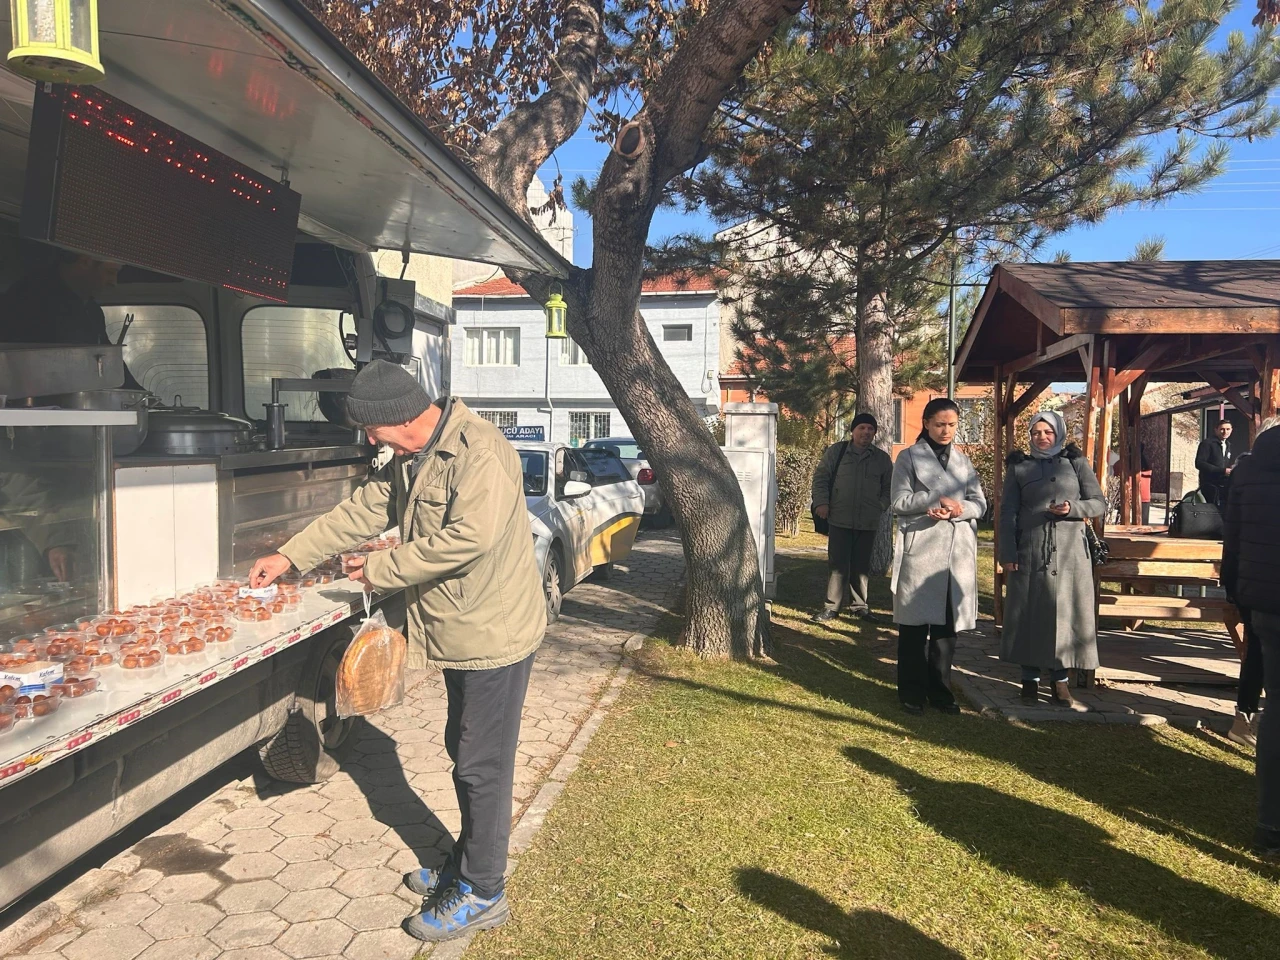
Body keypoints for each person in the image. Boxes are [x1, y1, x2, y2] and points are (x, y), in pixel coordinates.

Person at [248, 360, 545, 942]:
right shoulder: (417, 456)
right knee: (463, 750)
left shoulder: (480, 453)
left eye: (371, 429)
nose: (367, 439)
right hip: (463, 630)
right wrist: (290, 555)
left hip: (495, 634)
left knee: (480, 764)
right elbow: (362, 509)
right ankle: (467, 866)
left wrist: (380, 569)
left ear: (398, 418)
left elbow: (470, 539)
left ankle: (484, 890)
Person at [999, 411, 1108, 710]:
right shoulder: (1019, 467)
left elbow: (1098, 503)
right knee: (1029, 614)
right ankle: (1029, 680)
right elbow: (1007, 512)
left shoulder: (1076, 463)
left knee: (1066, 615)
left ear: (1058, 433)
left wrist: (1072, 508)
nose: (1042, 437)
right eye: (1036, 433)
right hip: (1030, 550)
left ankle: (1060, 681)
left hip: (1071, 553)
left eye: (1048, 432)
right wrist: (1007, 553)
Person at [890, 398, 986, 715]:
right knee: (914, 630)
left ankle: (941, 693)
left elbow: (979, 504)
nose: (946, 431)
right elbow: (899, 502)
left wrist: (960, 510)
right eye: (940, 424)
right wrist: (932, 498)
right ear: (927, 423)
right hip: (923, 550)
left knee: (946, 632)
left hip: (956, 554)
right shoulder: (908, 458)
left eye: (952, 425)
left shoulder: (963, 461)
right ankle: (911, 693)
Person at [1221, 415, 1280, 860]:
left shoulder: (1250, 468)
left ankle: (1269, 824)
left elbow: (1233, 537)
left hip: (1263, 599)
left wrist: (1237, 589)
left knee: (1276, 711)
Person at [811, 412, 893, 624]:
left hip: (868, 521)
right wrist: (822, 503)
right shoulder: (837, 452)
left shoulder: (882, 459)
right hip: (839, 518)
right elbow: (821, 478)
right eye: (862, 428)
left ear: (875, 432)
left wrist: (881, 506)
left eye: (870, 429)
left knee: (861, 566)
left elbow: (889, 488)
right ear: (853, 430)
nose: (866, 432)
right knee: (837, 564)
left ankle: (860, 607)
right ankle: (831, 607)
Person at [1195, 419, 1236, 505]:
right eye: (1222, 429)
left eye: (1228, 429)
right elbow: (1199, 463)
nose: (1225, 432)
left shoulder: (1228, 445)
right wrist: (1222, 471)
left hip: (1223, 485)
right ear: (1216, 430)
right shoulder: (1207, 443)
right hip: (1209, 484)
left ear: (1231, 430)